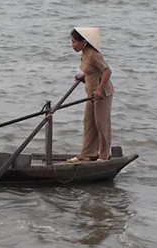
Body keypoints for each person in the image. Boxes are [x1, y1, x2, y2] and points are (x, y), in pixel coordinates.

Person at [68, 27, 114, 163]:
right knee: (89, 123)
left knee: (101, 124)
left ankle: (104, 155)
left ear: (83, 42)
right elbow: (92, 70)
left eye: (74, 42)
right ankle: (88, 153)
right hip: (91, 95)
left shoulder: (94, 54)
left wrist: (100, 89)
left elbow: (107, 71)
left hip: (102, 94)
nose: (72, 45)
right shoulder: (84, 53)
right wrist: (84, 76)